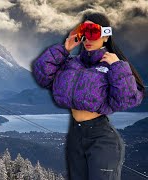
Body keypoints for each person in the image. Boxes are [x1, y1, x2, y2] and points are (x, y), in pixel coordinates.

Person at [33, 12, 145, 180]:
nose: (87, 39)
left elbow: (126, 99)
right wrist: (64, 49)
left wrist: (117, 66)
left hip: (101, 138)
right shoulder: (70, 64)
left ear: (106, 36)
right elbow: (42, 75)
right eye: (84, 33)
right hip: (75, 136)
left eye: (93, 32)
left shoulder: (111, 66)